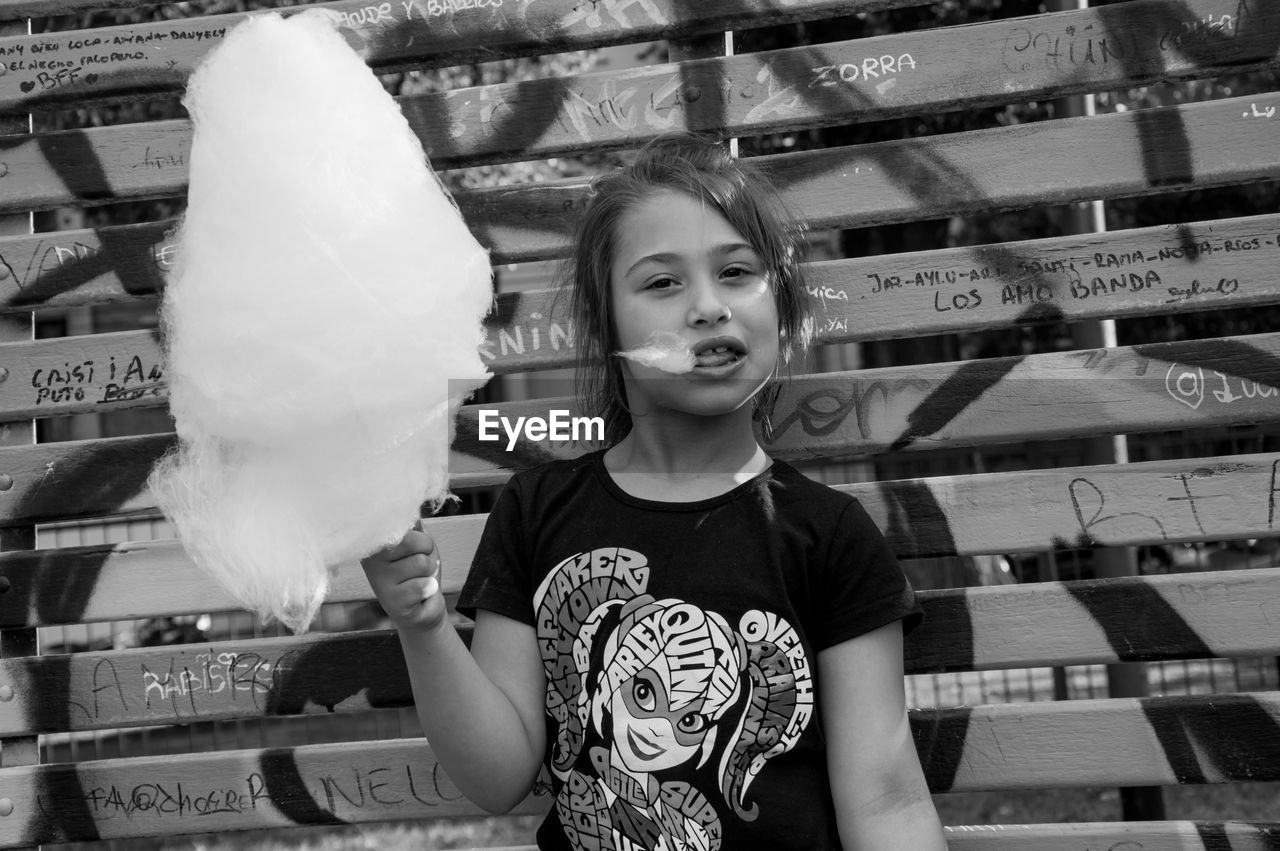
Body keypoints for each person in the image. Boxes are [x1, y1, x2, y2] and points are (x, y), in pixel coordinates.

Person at [361, 134, 948, 850]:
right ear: (605, 325)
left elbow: (885, 800)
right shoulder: (538, 511)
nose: (707, 307)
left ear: (784, 309)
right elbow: (498, 774)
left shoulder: (830, 535)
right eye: (662, 283)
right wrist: (420, 623)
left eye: (736, 272)